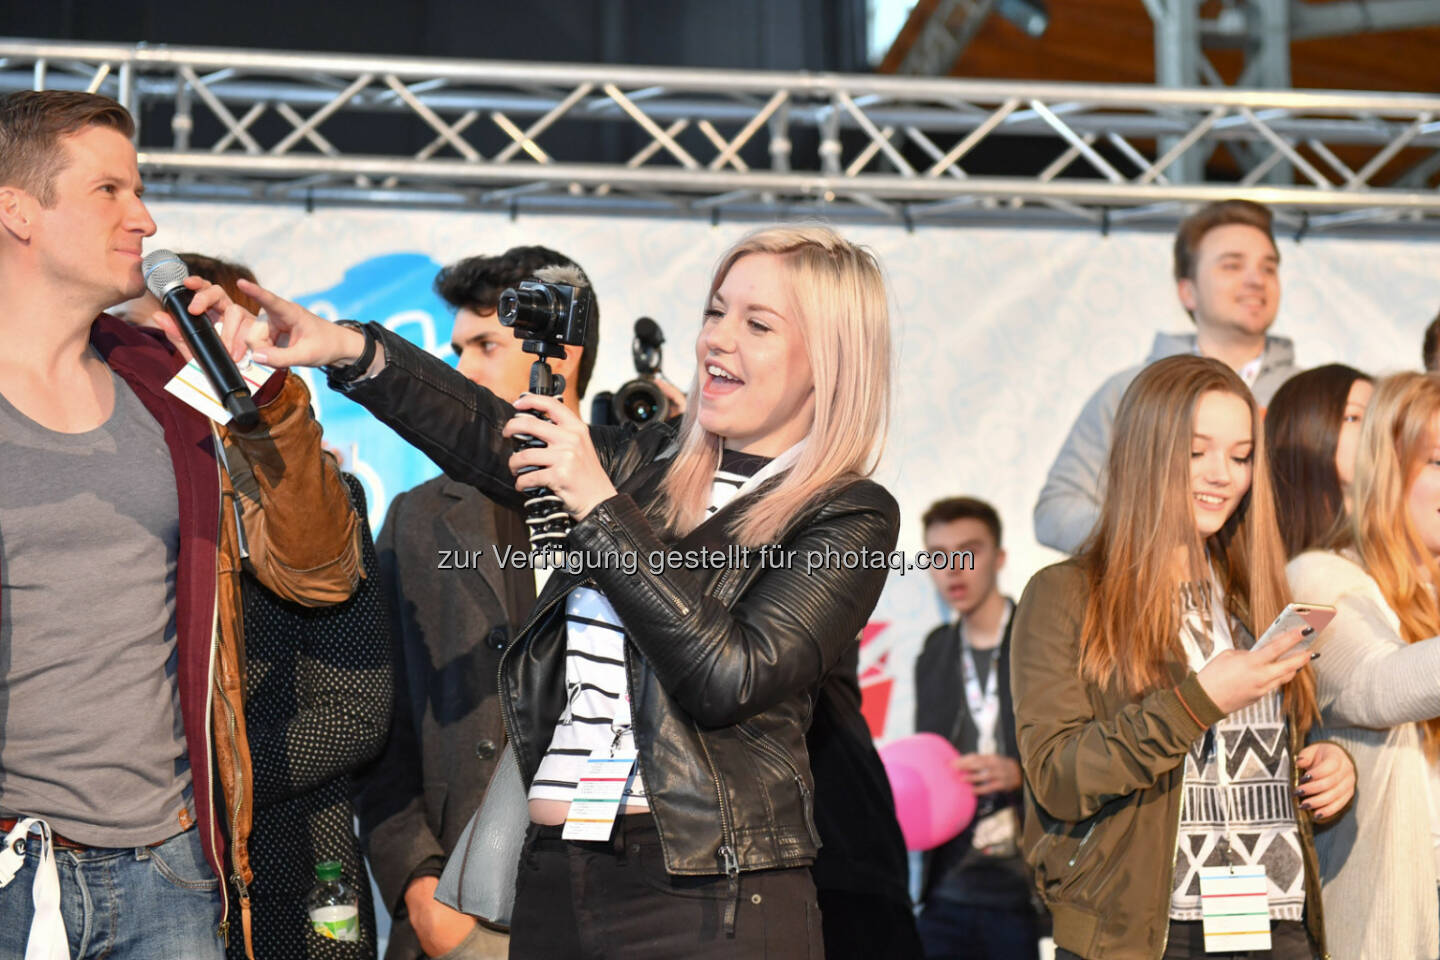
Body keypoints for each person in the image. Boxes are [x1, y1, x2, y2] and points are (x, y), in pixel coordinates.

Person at [190, 223, 900, 958]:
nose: (718, 339)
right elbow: (486, 433)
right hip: (555, 879)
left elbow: (730, 676)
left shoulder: (848, 513)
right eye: (716, 312)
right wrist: (348, 348)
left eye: (757, 324)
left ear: (829, 360)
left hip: (705, 896)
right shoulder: (647, 464)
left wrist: (600, 507)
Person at [0, 91, 360, 960]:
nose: (145, 218)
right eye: (109, 191)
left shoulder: (167, 383)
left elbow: (320, 571)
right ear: (16, 211)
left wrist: (268, 398)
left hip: (168, 868)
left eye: (140, 190)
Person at [1012, 355, 1355, 959]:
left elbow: (1276, 749)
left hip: (1274, 920)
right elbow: (1059, 778)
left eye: (1241, 456)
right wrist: (1198, 702)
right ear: (1145, 450)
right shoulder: (1067, 594)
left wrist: (1329, 769)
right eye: (1197, 451)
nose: (1222, 474)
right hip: (1143, 935)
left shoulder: (1256, 594)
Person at [354, 245, 599, 960]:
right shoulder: (417, 517)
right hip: (456, 913)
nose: (462, 369)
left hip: (613, 905)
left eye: (486, 345)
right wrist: (419, 884)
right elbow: (377, 715)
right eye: (458, 348)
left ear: (561, 353)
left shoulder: (643, 502)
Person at [1034, 200, 1301, 554]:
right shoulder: (1129, 391)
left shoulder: (1311, 398)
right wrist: (1147, 545)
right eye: (1232, 265)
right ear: (1187, 291)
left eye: (1268, 268)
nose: (1256, 280)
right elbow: (1055, 510)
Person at [1285, 372, 1440, 959]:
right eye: (1438, 462)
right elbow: (1378, 685)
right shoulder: (1312, 579)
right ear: (1385, 467)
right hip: (1394, 922)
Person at [912, 497, 1037, 960]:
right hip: (946, 888)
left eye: (968, 551)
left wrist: (1021, 774)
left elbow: (1083, 753)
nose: (952, 569)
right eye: (938, 556)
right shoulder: (935, 652)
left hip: (1024, 889)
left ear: (999, 558)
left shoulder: (1042, 640)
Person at [1264, 364, 1373, 558]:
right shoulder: (1259, 555)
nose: (1374, 430)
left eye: (1378, 417)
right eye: (1353, 418)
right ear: (1304, 428)